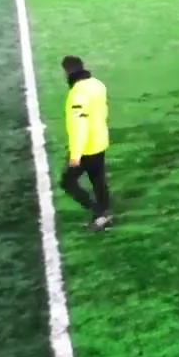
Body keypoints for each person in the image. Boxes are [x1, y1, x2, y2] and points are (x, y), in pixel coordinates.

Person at [60, 56, 112, 232]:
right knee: (98, 180)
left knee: (68, 183)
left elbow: (79, 125)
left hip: (86, 147)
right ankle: (104, 214)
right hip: (100, 140)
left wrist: (75, 155)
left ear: (67, 71)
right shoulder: (97, 84)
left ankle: (97, 211)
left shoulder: (77, 94)